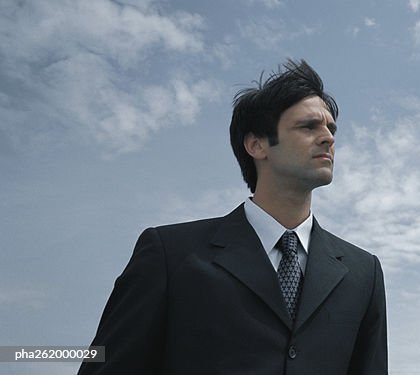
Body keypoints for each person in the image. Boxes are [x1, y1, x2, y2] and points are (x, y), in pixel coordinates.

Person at [79, 59, 387, 375]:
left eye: (331, 128)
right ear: (256, 145)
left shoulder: (364, 273)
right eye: (309, 126)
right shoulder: (170, 255)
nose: (328, 137)